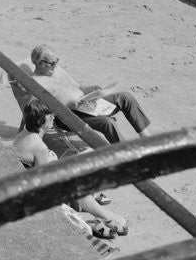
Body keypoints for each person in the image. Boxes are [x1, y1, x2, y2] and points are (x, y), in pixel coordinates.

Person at [12, 100, 128, 239]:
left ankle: (95, 210)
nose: (54, 118)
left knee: (87, 156)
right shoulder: (39, 147)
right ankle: (106, 215)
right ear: (42, 120)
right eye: (51, 116)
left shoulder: (23, 134)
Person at [30, 45, 151, 144]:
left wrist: (92, 89)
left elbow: (78, 87)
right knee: (107, 122)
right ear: (40, 63)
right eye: (52, 63)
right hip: (68, 116)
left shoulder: (56, 70)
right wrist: (66, 104)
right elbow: (41, 110)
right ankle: (127, 154)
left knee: (125, 97)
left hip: (85, 103)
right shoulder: (36, 82)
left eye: (56, 61)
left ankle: (146, 138)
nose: (55, 65)